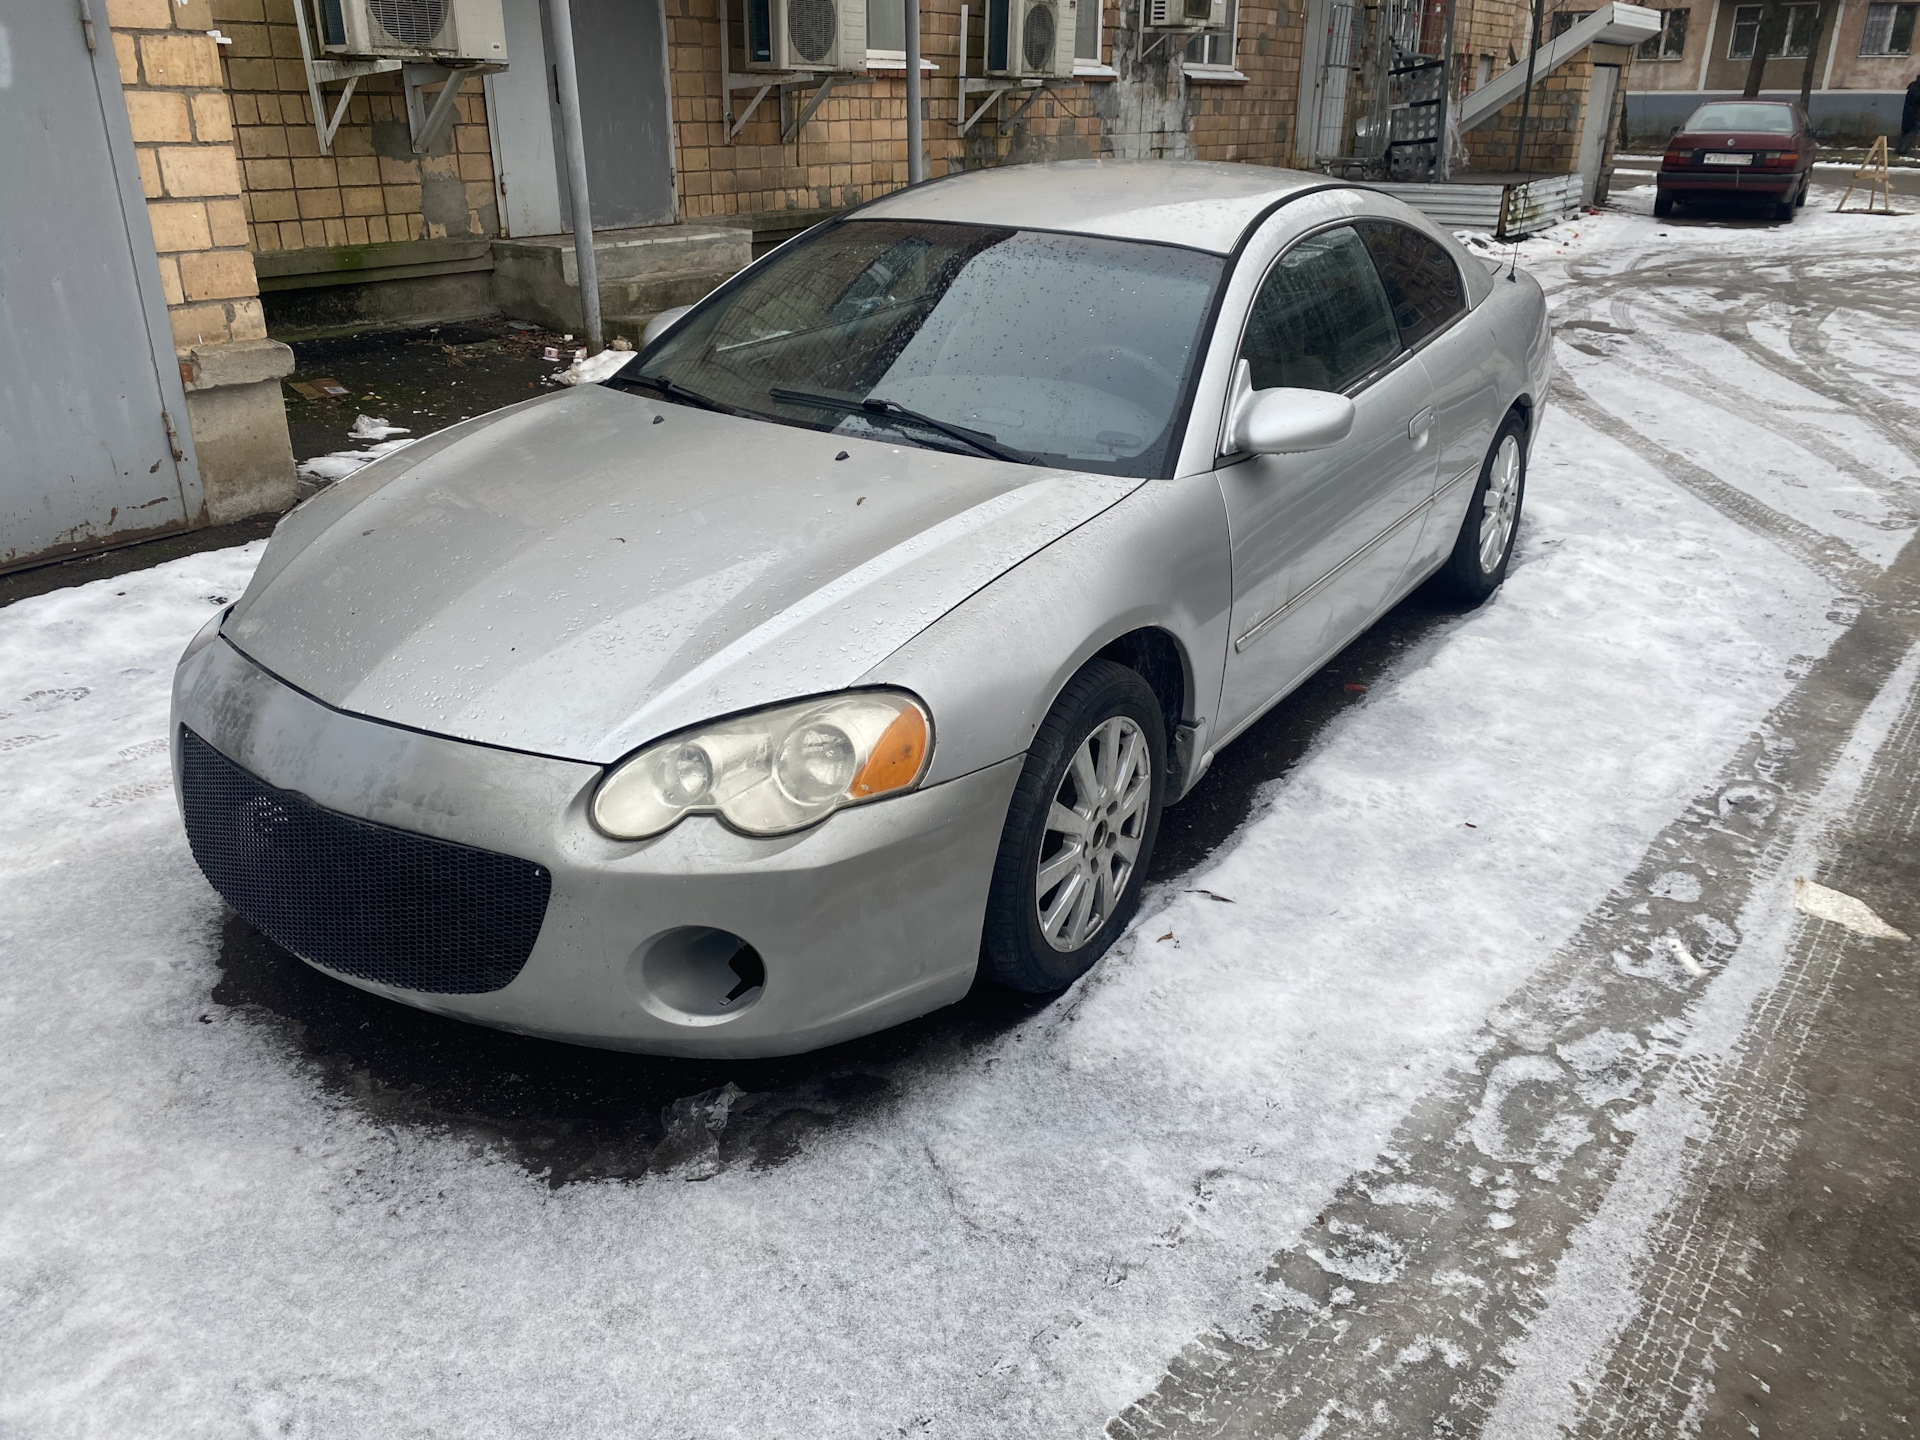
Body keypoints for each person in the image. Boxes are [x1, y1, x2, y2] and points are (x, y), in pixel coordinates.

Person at [1901, 72, 1920, 156]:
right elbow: (1918, 98)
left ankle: (1901, 150)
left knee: (1908, 132)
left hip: (1912, 115)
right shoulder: (1915, 88)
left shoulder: (1914, 87)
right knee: (1911, 132)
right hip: (1913, 115)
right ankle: (1902, 150)